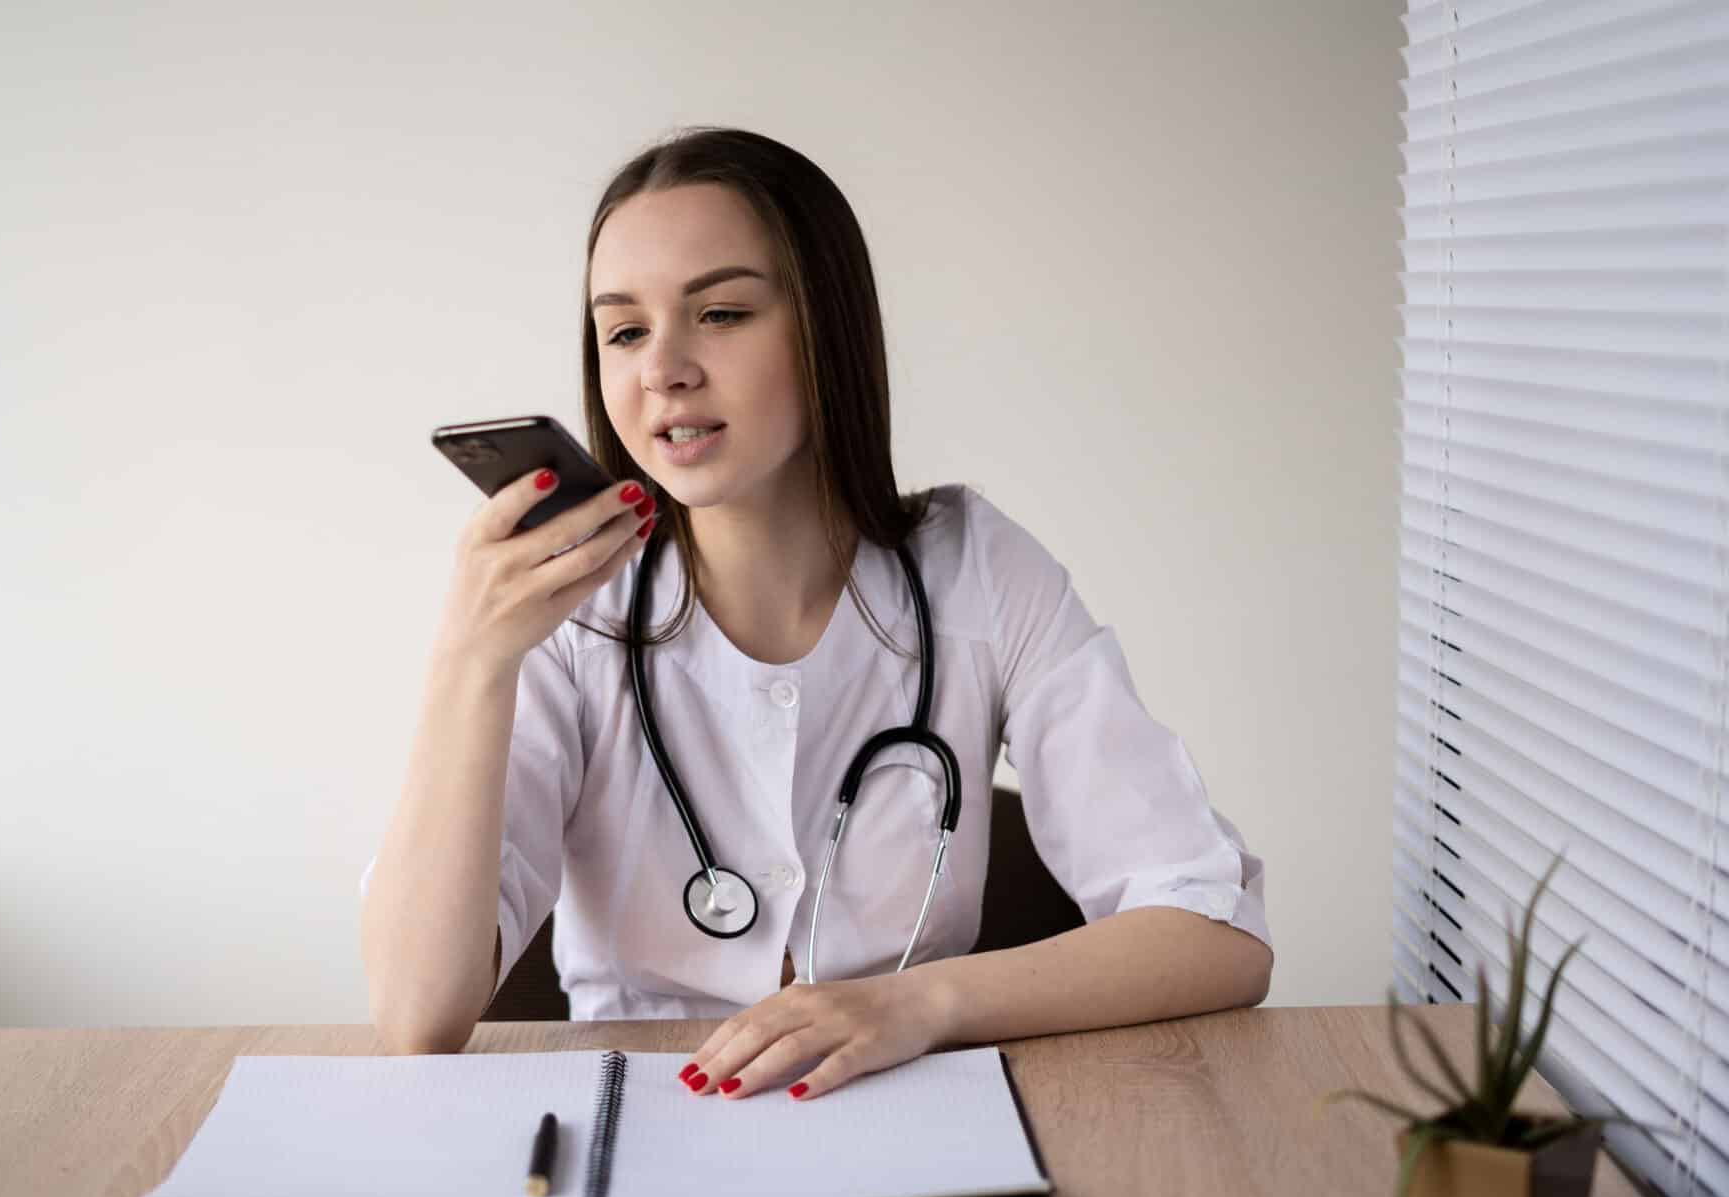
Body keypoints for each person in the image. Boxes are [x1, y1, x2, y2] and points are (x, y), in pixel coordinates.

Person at [360, 126, 1272, 1101]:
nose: (662, 367)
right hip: (643, 1129)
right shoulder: (569, 615)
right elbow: (418, 1015)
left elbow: (1214, 935)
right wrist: (470, 660)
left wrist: (919, 1005)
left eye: (718, 313)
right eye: (623, 329)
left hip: (906, 1125)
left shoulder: (976, 570)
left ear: (824, 329)